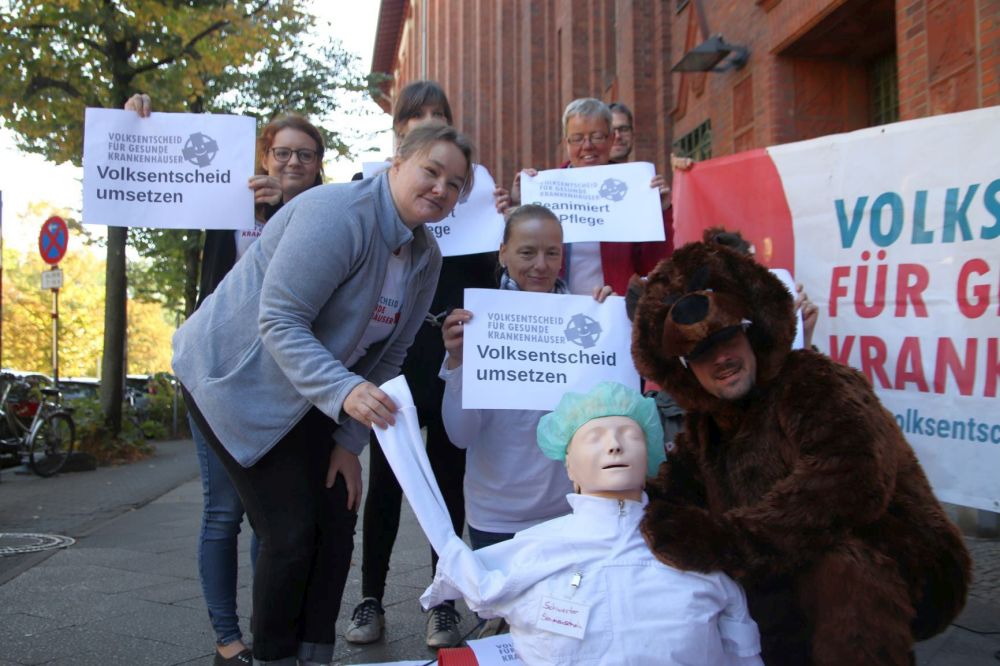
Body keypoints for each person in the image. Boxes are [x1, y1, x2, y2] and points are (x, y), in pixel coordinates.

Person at [172, 123, 474, 666]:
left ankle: (314, 656)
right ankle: (271, 657)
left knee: (336, 525)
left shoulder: (426, 256)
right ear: (397, 160)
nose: (441, 189)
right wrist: (344, 391)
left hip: (312, 393)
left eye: (455, 185)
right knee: (289, 534)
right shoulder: (337, 213)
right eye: (432, 171)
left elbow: (390, 356)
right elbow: (281, 320)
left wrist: (348, 441)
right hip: (234, 380)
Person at [629, 238, 972, 665]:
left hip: (895, 558)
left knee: (842, 570)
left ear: (749, 330)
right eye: (700, 352)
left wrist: (728, 541)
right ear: (684, 368)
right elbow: (672, 495)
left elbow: (850, 484)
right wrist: (614, 493)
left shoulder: (812, 380)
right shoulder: (705, 428)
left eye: (727, 337)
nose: (720, 358)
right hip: (785, 569)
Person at [125, 93, 326, 666]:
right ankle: (226, 639)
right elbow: (156, 179)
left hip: (286, 384)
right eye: (282, 153)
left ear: (318, 165)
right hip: (216, 376)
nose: (292, 164)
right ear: (264, 155)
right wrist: (142, 116)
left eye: (305, 156)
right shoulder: (226, 204)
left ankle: (268, 631)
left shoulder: (327, 217)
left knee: (275, 515)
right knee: (222, 513)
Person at [372, 380, 764, 665]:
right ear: (568, 465)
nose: (614, 445)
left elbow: (742, 651)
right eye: (594, 437)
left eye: (629, 434)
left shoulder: (696, 550)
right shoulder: (527, 556)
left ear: (652, 457)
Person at [344, 80, 497, 650]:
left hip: (454, 350)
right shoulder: (373, 191)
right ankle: (371, 598)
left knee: (449, 480)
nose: (428, 121)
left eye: (439, 114)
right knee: (389, 477)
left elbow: (489, 276)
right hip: (396, 353)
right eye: (416, 117)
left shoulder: (471, 192)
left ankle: (445, 601)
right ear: (399, 135)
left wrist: (499, 222)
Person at [439, 204, 613, 550]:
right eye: (527, 252)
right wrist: (458, 361)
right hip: (496, 514)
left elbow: (607, 416)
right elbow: (460, 436)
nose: (541, 265)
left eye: (552, 253)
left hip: (570, 510)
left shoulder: (587, 322)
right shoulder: (478, 326)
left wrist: (612, 323)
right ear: (503, 253)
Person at [494, 98, 673, 296]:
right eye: (577, 138)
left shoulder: (635, 189)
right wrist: (518, 206)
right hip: (551, 309)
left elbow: (655, 266)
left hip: (612, 309)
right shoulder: (545, 189)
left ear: (612, 139)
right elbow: (513, 257)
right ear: (566, 143)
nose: (587, 146)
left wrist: (661, 213)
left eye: (597, 136)